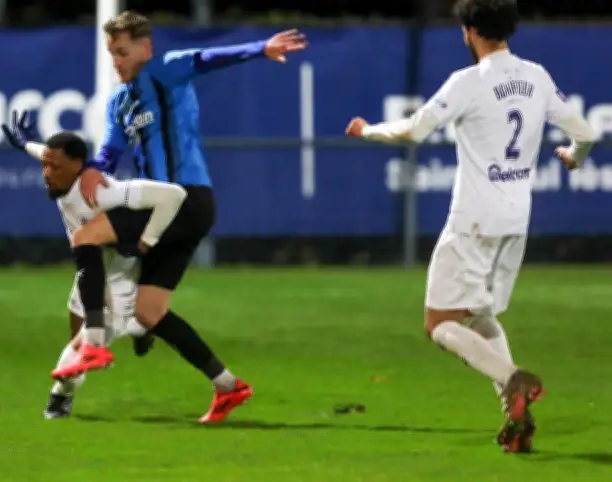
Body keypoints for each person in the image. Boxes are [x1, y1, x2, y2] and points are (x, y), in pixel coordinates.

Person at [345, 0, 598, 453]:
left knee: (438, 323)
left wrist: (367, 131)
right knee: (480, 316)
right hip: (515, 221)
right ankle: (515, 417)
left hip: (473, 221)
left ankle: (512, 379)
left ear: (471, 31)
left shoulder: (469, 82)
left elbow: (414, 131)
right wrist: (574, 159)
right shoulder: (536, 76)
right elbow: (587, 133)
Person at [56, 11, 307, 423]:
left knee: (86, 237)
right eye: (111, 53)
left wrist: (261, 49)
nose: (116, 61)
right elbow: (108, 153)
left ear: (145, 48)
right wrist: (94, 167)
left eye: (122, 52)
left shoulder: (166, 70)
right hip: (160, 208)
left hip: (186, 199)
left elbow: (209, 58)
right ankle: (227, 385)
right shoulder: (119, 103)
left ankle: (97, 339)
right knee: (148, 312)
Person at [1, 111, 185, 419]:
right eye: (45, 164)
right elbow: (49, 158)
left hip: (121, 270)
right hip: (90, 262)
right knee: (77, 324)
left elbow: (174, 196)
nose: (46, 173)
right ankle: (138, 330)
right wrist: (26, 145)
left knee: (85, 340)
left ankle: (58, 400)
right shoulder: (63, 177)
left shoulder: (101, 193)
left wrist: (146, 241)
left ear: (77, 167)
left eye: (53, 167)